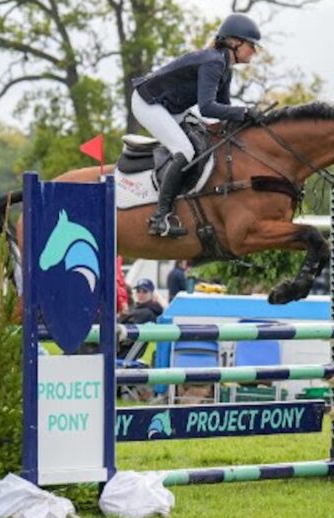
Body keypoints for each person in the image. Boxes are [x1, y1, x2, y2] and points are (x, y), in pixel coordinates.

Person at [131, 13, 264, 238]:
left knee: (202, 141)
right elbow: (207, 108)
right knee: (185, 150)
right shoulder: (213, 62)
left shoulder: (224, 68)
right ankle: (159, 217)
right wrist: (243, 111)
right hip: (148, 102)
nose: (255, 51)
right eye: (251, 45)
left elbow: (222, 110)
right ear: (235, 43)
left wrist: (246, 122)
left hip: (172, 107)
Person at [117, 279, 165, 359]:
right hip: (133, 355)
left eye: (144, 291)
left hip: (127, 356)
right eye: (138, 291)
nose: (140, 294)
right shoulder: (139, 309)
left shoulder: (145, 313)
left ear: (152, 295)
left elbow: (126, 338)